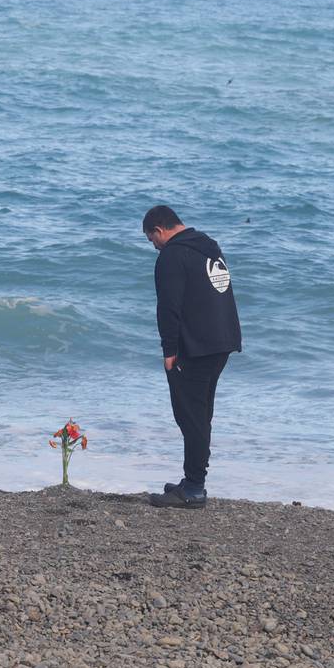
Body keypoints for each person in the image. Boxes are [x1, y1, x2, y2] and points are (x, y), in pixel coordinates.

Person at [142, 205, 241, 509]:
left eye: (151, 239)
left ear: (159, 230)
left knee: (191, 416)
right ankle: (193, 479)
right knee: (200, 413)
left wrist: (169, 350)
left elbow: (169, 307)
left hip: (195, 348)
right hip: (222, 341)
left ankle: (195, 487)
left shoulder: (172, 256)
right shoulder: (209, 247)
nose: (154, 246)